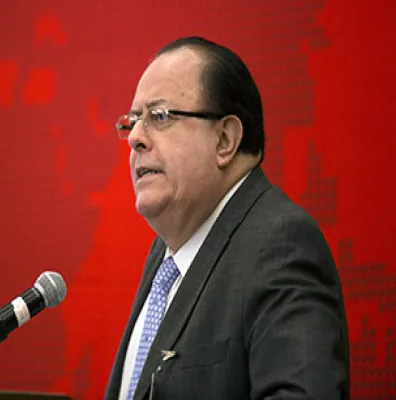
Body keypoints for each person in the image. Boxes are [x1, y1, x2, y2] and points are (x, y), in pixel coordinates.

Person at [105, 37, 350, 400]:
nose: (135, 138)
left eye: (160, 116)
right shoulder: (165, 256)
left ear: (225, 140)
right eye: (134, 121)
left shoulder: (281, 244)